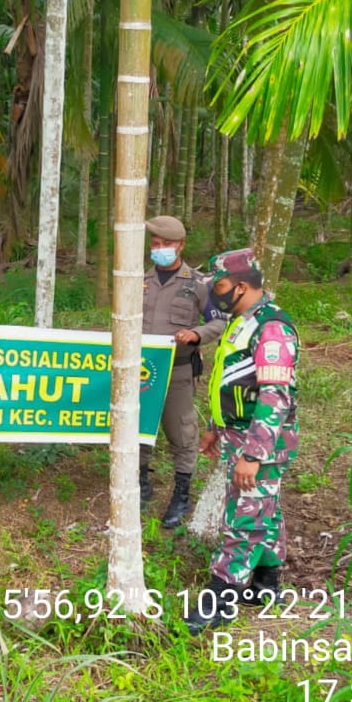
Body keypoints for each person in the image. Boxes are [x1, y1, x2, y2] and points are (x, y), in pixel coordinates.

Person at [182, 247, 299, 635]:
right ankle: (266, 583)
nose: (214, 292)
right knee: (265, 508)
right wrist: (217, 426)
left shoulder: (272, 328)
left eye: (220, 285)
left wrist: (253, 453)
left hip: (260, 441)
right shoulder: (241, 321)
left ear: (242, 286)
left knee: (244, 517)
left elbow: (274, 395)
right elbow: (232, 379)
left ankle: (222, 594)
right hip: (238, 433)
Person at [139, 215, 225, 528]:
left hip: (178, 370)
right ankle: (141, 484)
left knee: (182, 432)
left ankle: (181, 493)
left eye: (166, 245)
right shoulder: (140, 281)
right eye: (155, 244)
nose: (159, 249)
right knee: (139, 427)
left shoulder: (198, 284)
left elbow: (218, 321)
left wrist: (197, 334)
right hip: (141, 371)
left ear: (181, 246)